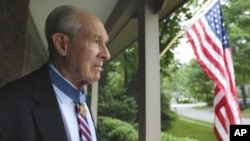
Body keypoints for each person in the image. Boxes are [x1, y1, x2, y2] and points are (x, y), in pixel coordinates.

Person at [0, 5, 110, 141]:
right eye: (95, 41)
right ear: (62, 44)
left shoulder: (80, 98)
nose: (107, 54)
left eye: (105, 43)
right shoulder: (7, 104)